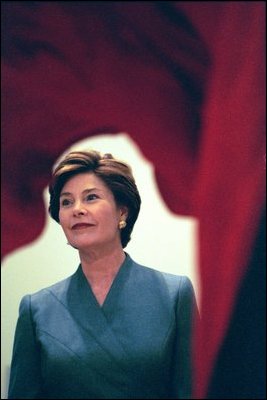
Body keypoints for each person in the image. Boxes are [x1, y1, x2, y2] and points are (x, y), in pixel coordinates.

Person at [8, 149, 199, 399]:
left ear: (122, 212)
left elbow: (194, 390)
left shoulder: (174, 295)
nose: (77, 209)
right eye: (66, 202)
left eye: (91, 197)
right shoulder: (37, 309)